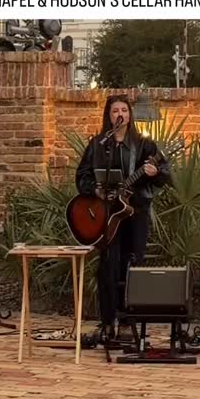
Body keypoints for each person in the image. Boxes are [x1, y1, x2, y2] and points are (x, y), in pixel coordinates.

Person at [75, 94, 171, 339]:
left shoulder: (143, 145)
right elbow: (82, 175)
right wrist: (95, 190)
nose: (120, 114)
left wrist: (153, 172)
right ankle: (107, 321)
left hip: (134, 213)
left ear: (130, 115)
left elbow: (165, 176)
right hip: (105, 214)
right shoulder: (98, 144)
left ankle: (128, 323)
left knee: (132, 264)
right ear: (109, 115)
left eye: (124, 110)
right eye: (115, 110)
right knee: (108, 265)